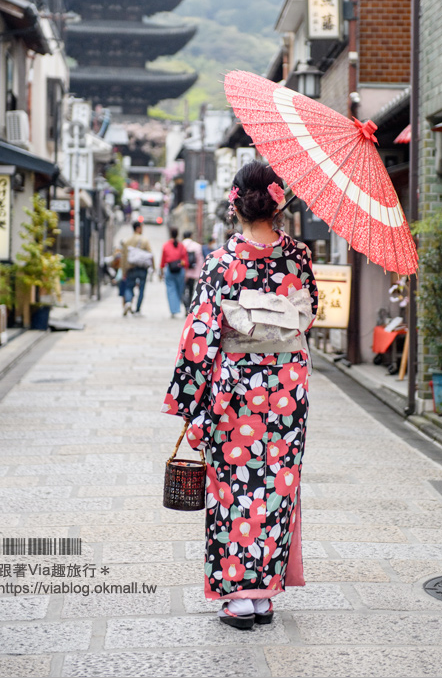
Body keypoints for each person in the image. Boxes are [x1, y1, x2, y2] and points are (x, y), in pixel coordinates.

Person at [162, 161, 318, 630]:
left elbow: (200, 337)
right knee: (277, 487)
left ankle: (239, 597)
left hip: (235, 392)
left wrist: (187, 401)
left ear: (235, 203)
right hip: (288, 388)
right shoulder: (300, 258)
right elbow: (308, 316)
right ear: (277, 203)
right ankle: (265, 594)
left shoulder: (220, 263)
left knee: (233, 489)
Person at [120, 220, 154, 315]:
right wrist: (153, 268)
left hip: (131, 268)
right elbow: (151, 254)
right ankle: (138, 309)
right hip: (142, 269)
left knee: (129, 287)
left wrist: (123, 271)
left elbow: (123, 257)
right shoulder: (144, 240)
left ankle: (128, 302)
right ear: (138, 228)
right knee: (141, 289)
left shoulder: (127, 241)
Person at [160, 227, 189, 318]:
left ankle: (174, 310)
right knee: (179, 289)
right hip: (180, 270)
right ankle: (178, 307)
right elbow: (185, 259)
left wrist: (161, 271)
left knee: (170, 289)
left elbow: (163, 260)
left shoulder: (166, 245)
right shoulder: (181, 245)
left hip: (169, 269)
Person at [181, 230, 204, 314]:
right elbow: (200, 260)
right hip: (193, 272)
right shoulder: (197, 246)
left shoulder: (180, 245)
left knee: (182, 291)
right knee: (191, 291)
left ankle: (186, 305)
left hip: (183, 272)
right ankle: (189, 307)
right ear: (191, 236)